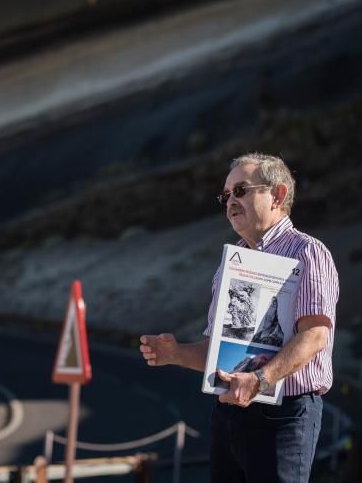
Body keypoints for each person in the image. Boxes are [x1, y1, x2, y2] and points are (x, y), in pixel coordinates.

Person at [139, 152, 339, 483]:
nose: (230, 200)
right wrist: (174, 354)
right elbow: (218, 350)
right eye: (226, 194)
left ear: (277, 195)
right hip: (229, 412)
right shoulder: (232, 261)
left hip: (284, 414)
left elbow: (315, 335)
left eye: (242, 190)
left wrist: (259, 380)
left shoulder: (308, 252)